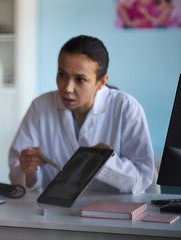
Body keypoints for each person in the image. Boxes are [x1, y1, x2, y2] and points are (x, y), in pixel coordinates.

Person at [8, 35, 154, 194]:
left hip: (116, 213)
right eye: (62, 75)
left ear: (101, 82)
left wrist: (105, 162)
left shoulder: (126, 108)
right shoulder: (40, 106)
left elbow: (143, 179)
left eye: (80, 80)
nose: (67, 88)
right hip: (55, 211)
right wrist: (28, 170)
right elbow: (18, 179)